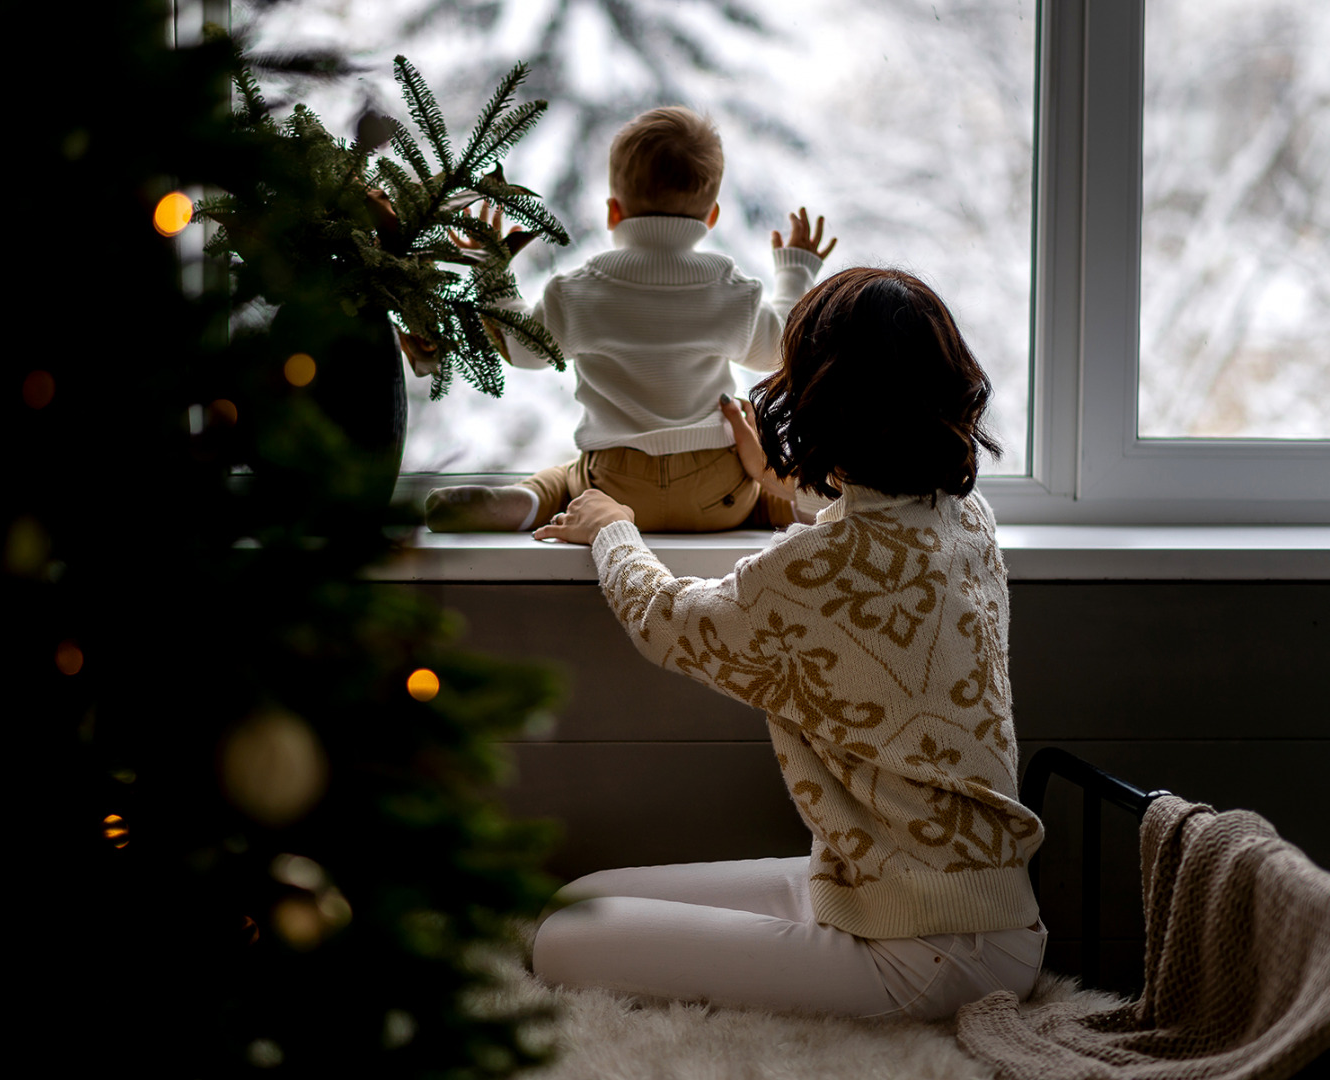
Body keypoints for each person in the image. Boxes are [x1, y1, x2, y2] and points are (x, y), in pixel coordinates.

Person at [525, 267, 1047, 1020]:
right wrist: (775, 481)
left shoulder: (809, 570)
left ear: (818, 405)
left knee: (559, 941)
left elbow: (668, 620)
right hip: (921, 896)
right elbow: (868, 528)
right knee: (578, 900)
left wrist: (612, 528)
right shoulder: (963, 518)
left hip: (928, 952)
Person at [424, 105, 835, 533]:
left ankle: (525, 502)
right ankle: (812, 510)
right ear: (711, 217)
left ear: (613, 212)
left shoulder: (579, 289)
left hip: (616, 484)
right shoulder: (731, 289)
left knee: (564, 481)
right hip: (714, 485)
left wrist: (491, 272)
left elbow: (524, 350)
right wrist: (795, 272)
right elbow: (778, 350)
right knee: (759, 494)